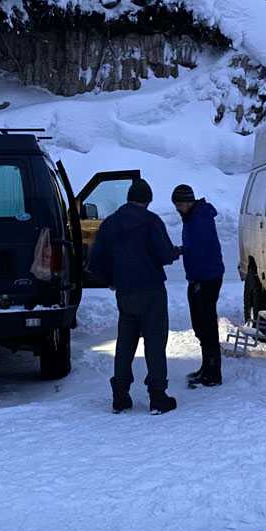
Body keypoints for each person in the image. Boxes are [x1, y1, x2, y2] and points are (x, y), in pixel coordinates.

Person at [87, 178, 181, 415]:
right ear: (147, 200)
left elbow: (95, 262)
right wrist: (175, 252)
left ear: (129, 198)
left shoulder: (110, 224)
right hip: (151, 291)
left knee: (125, 344)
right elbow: (163, 254)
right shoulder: (151, 222)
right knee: (155, 343)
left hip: (125, 293)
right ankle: (158, 397)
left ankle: (120, 396)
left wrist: (111, 280)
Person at [171, 184, 226, 388]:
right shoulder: (193, 216)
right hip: (201, 277)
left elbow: (200, 249)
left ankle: (213, 373)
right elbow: (195, 246)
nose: (177, 209)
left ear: (187, 201)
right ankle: (207, 367)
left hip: (206, 278)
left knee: (206, 324)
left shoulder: (199, 218)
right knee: (201, 323)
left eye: (178, 204)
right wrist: (182, 250)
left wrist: (182, 252)